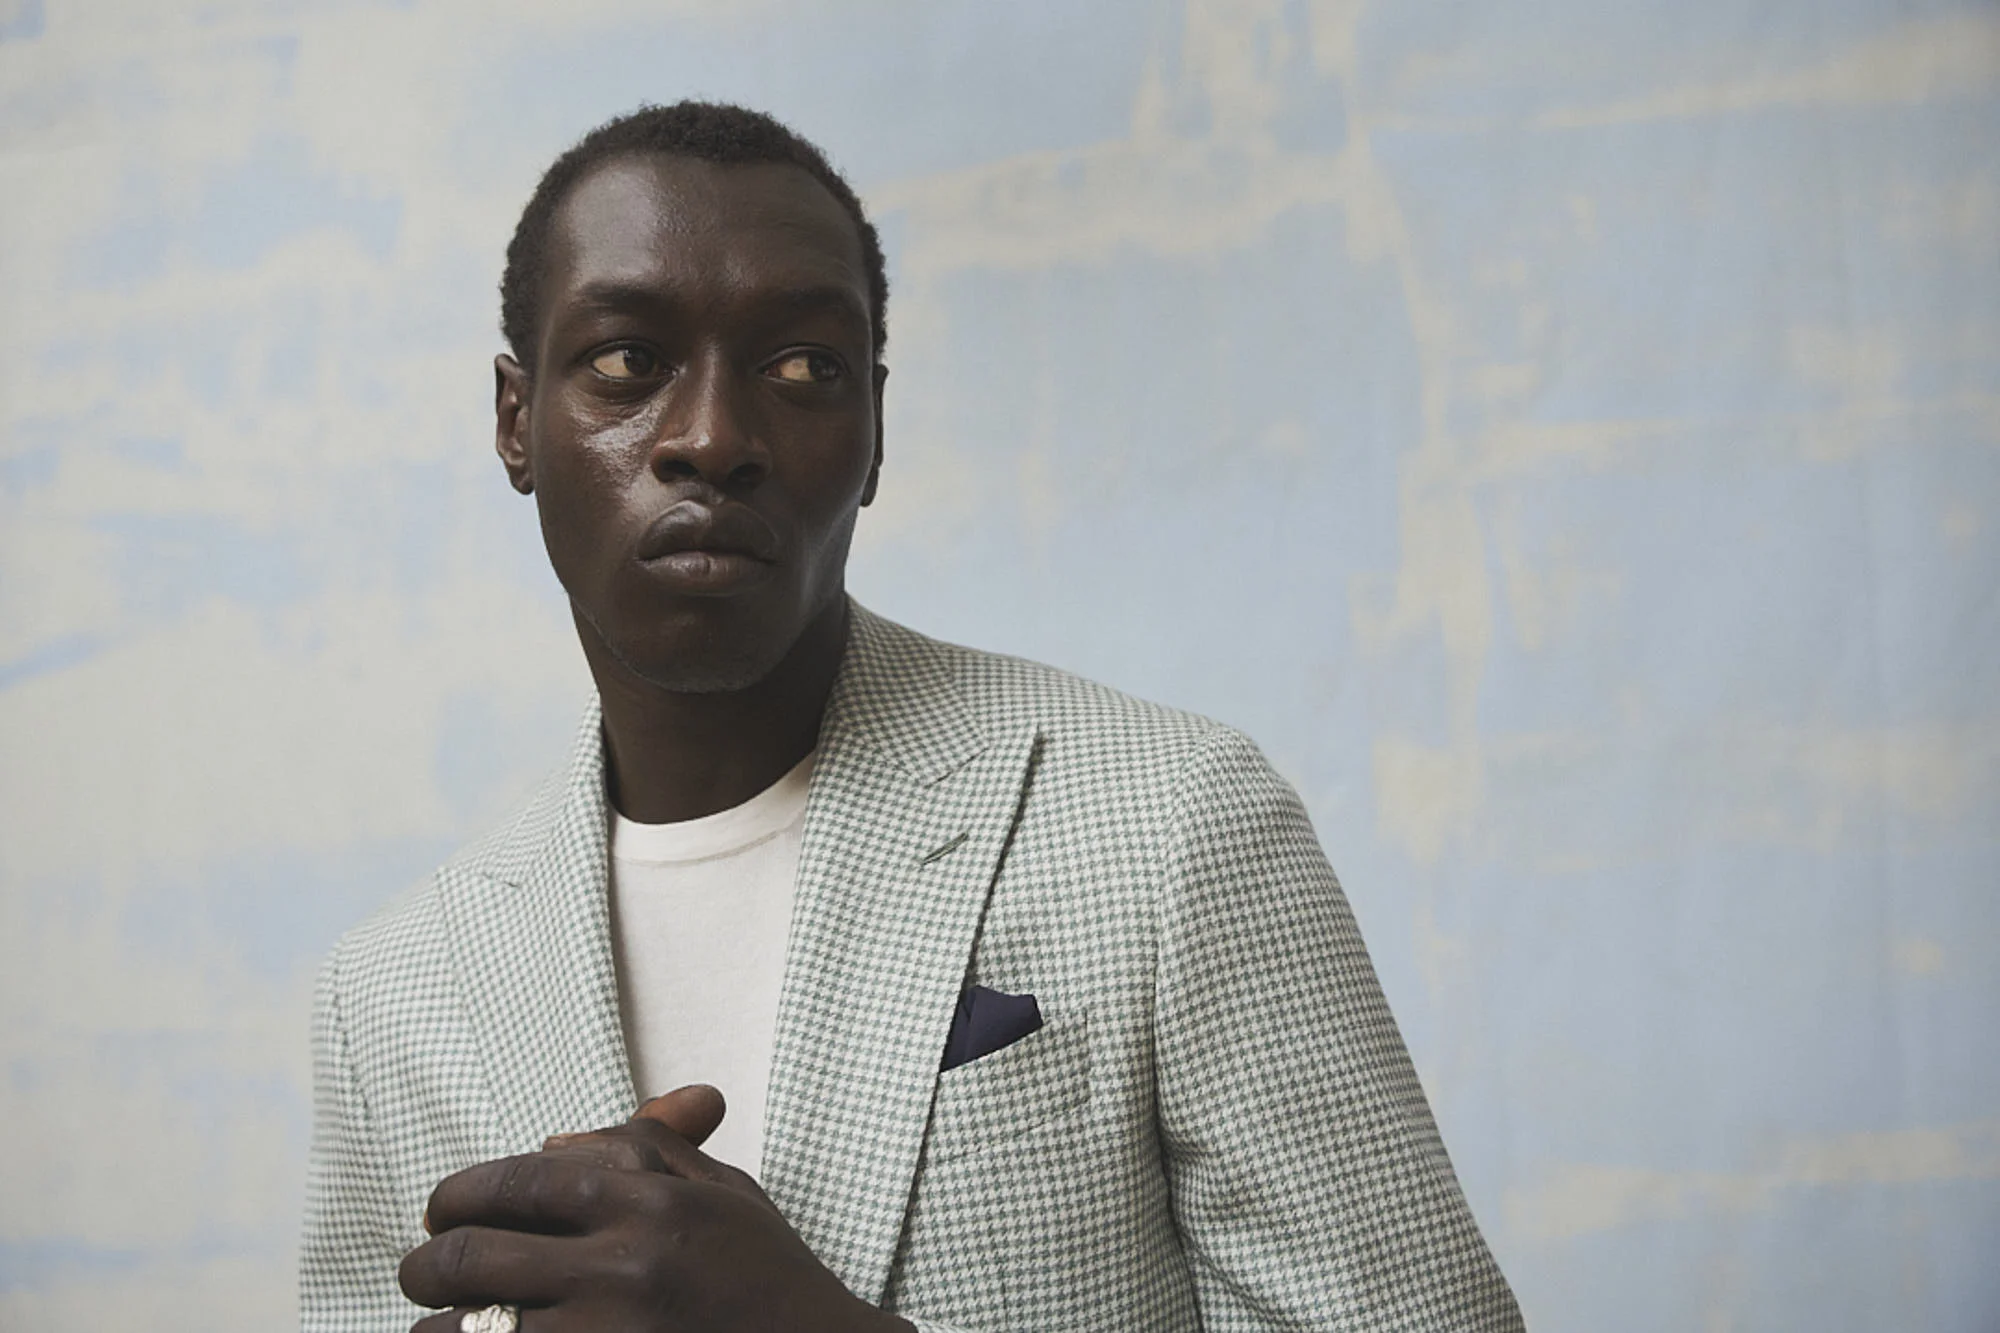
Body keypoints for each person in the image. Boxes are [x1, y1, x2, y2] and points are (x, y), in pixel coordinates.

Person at [299, 101, 1524, 1333]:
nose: (712, 436)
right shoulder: (392, 991)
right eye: (626, 359)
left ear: (872, 433)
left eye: (800, 367)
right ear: (516, 422)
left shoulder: (1170, 822)